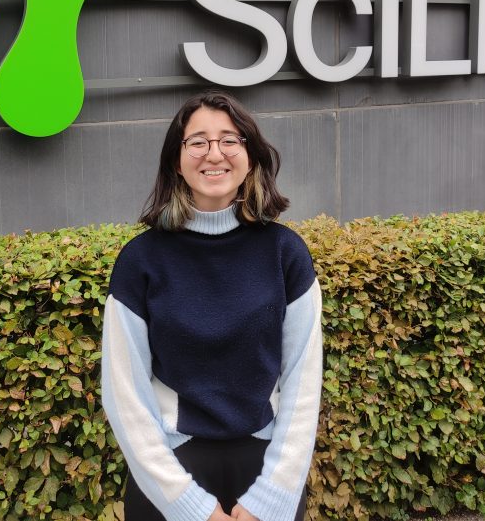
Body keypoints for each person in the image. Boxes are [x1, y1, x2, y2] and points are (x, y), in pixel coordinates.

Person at [101, 91, 323, 521]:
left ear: (250, 155)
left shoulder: (286, 254)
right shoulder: (140, 262)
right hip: (170, 473)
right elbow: (125, 395)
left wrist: (272, 497)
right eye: (197, 141)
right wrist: (187, 506)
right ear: (176, 160)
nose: (214, 153)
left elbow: (303, 384)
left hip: (266, 469)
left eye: (229, 140)